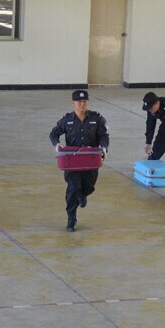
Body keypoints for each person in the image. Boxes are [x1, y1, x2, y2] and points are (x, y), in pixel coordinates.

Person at [49, 90, 109, 232]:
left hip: (90, 161)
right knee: (73, 188)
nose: (82, 104)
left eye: (84, 102)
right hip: (73, 162)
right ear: (73, 103)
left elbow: (104, 136)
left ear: (87, 102)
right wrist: (57, 144)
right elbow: (54, 133)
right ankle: (71, 217)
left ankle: (83, 195)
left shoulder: (97, 119)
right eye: (78, 102)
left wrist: (104, 148)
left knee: (89, 187)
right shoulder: (67, 120)